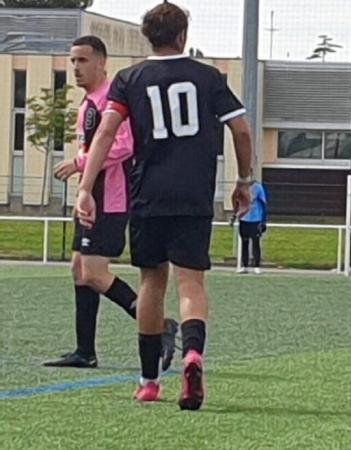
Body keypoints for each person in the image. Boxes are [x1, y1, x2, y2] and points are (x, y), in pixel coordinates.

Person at [75, 2, 252, 410]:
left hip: (147, 194)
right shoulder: (208, 77)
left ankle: (149, 380)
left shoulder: (129, 79)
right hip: (193, 195)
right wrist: (244, 180)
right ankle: (192, 354)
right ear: (183, 36)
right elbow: (241, 130)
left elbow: (104, 133)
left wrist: (86, 188)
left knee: (152, 283)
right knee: (191, 284)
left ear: (147, 37)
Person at [43, 36, 178, 371]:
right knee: (79, 270)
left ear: (102, 62)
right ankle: (84, 351)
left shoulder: (112, 100)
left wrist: (80, 163)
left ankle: (160, 326)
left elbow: (123, 145)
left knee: (93, 272)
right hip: (91, 196)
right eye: (73, 61)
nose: (76, 67)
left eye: (83, 60)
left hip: (110, 198)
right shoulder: (89, 102)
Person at [237, 179, 267, 274]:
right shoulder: (240, 187)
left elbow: (263, 204)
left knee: (255, 242)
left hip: (256, 219)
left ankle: (256, 266)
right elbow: (237, 202)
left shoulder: (258, 187)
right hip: (244, 219)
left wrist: (263, 220)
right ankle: (245, 265)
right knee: (244, 242)